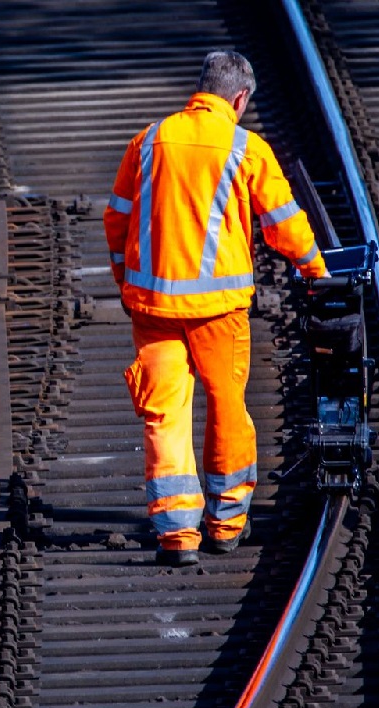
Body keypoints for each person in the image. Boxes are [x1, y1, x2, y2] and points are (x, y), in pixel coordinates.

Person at [104, 50, 328, 567]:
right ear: (240, 98)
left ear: (200, 88)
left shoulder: (148, 141)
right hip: (219, 313)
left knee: (164, 413)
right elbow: (284, 223)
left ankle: (177, 534)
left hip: (154, 309)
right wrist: (316, 272)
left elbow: (116, 220)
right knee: (226, 405)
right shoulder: (246, 148)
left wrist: (125, 281)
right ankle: (226, 523)